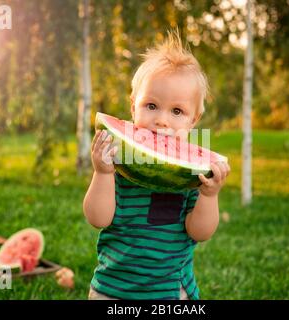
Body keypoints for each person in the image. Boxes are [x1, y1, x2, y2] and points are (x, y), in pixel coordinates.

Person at [83, 30, 230, 300]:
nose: (162, 120)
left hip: (170, 291)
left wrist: (209, 195)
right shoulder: (120, 165)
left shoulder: (190, 176)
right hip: (112, 289)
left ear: (193, 121)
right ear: (133, 107)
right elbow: (97, 218)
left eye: (177, 111)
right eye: (151, 105)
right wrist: (102, 173)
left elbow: (200, 232)